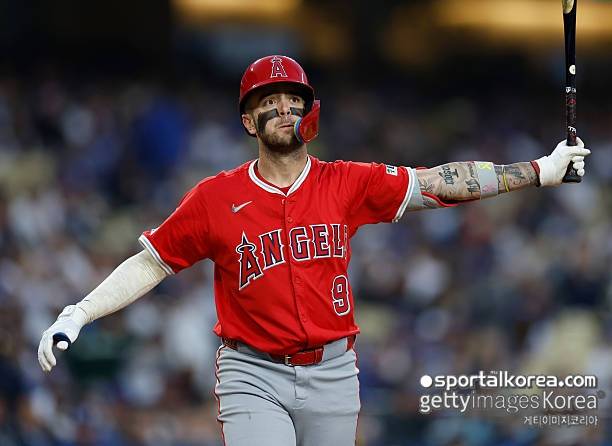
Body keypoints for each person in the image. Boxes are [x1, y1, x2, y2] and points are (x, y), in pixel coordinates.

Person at [38, 55, 590, 446]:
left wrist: (539, 170)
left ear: (309, 111)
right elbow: (151, 262)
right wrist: (80, 312)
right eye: (269, 101)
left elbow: (440, 182)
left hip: (333, 372)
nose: (284, 109)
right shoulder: (215, 197)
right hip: (252, 372)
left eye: (293, 99)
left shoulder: (345, 181)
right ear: (248, 121)